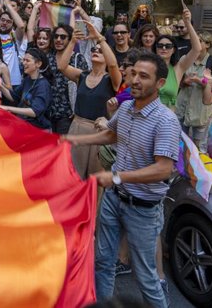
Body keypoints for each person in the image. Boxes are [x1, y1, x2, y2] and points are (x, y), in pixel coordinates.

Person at [64, 51, 180, 308]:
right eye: (133, 74)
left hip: (143, 209)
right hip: (114, 200)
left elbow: (163, 169)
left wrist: (116, 176)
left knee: (146, 276)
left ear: (160, 83)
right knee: (103, 261)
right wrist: (76, 139)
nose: (135, 80)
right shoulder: (126, 107)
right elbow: (112, 135)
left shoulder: (166, 121)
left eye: (144, 76)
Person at [59, 22, 122, 179]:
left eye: (100, 51)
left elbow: (113, 64)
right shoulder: (82, 75)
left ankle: (94, 204)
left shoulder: (111, 79)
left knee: (96, 178)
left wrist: (100, 39)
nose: (96, 51)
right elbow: (62, 66)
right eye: (94, 49)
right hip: (77, 128)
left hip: (99, 131)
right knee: (73, 175)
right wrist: (73, 41)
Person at [175, 31, 212, 152]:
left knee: (199, 146)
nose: (195, 43)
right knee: (178, 141)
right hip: (182, 106)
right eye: (193, 40)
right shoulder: (185, 58)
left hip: (200, 109)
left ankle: (196, 168)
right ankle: (182, 166)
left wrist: (199, 80)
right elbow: (176, 79)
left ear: (207, 44)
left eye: (199, 41)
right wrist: (183, 81)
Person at [153, 7, 201, 111]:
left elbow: (197, 49)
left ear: (174, 50)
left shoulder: (178, 68)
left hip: (167, 119)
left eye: (168, 46)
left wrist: (187, 23)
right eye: (160, 46)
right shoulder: (149, 67)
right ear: (155, 49)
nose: (164, 48)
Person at [47, 24, 90, 134]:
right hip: (48, 113)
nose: (58, 40)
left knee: (64, 148)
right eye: (56, 36)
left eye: (63, 37)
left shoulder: (78, 59)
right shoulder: (48, 57)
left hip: (68, 114)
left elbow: (85, 86)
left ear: (70, 39)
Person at [0, 48, 53, 130]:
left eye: (27, 60)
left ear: (38, 64)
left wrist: (8, 108)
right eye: (23, 60)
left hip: (39, 131)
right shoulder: (27, 80)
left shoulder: (43, 85)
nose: (23, 63)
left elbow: (34, 112)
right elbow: (13, 97)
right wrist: (0, 86)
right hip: (25, 127)